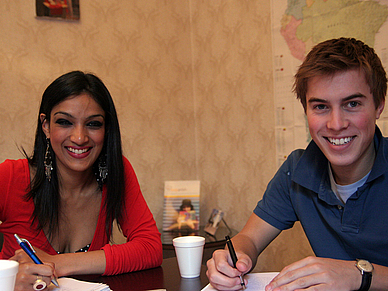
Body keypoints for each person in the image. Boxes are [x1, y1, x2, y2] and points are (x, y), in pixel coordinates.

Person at [206, 37, 388, 291]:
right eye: (321, 107)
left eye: (352, 104)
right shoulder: (297, 169)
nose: (336, 124)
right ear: (306, 112)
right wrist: (232, 258)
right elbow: (248, 238)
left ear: (379, 105)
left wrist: (358, 274)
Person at [0, 71, 163, 290]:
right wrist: (8, 282)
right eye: (65, 122)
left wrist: (57, 263)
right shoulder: (10, 177)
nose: (79, 137)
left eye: (93, 124)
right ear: (45, 126)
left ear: (106, 129)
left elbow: (151, 248)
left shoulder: (117, 172)